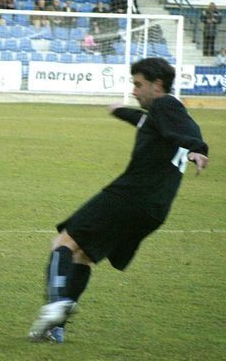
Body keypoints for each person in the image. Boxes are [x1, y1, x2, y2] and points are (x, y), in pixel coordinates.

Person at [28, 57, 209, 344]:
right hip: (154, 210)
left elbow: (190, 129)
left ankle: (55, 306)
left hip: (131, 195)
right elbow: (143, 121)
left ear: (157, 85)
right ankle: (56, 329)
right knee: (84, 255)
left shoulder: (167, 105)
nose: (134, 91)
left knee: (63, 243)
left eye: (138, 85)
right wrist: (120, 111)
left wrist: (198, 149)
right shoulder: (159, 117)